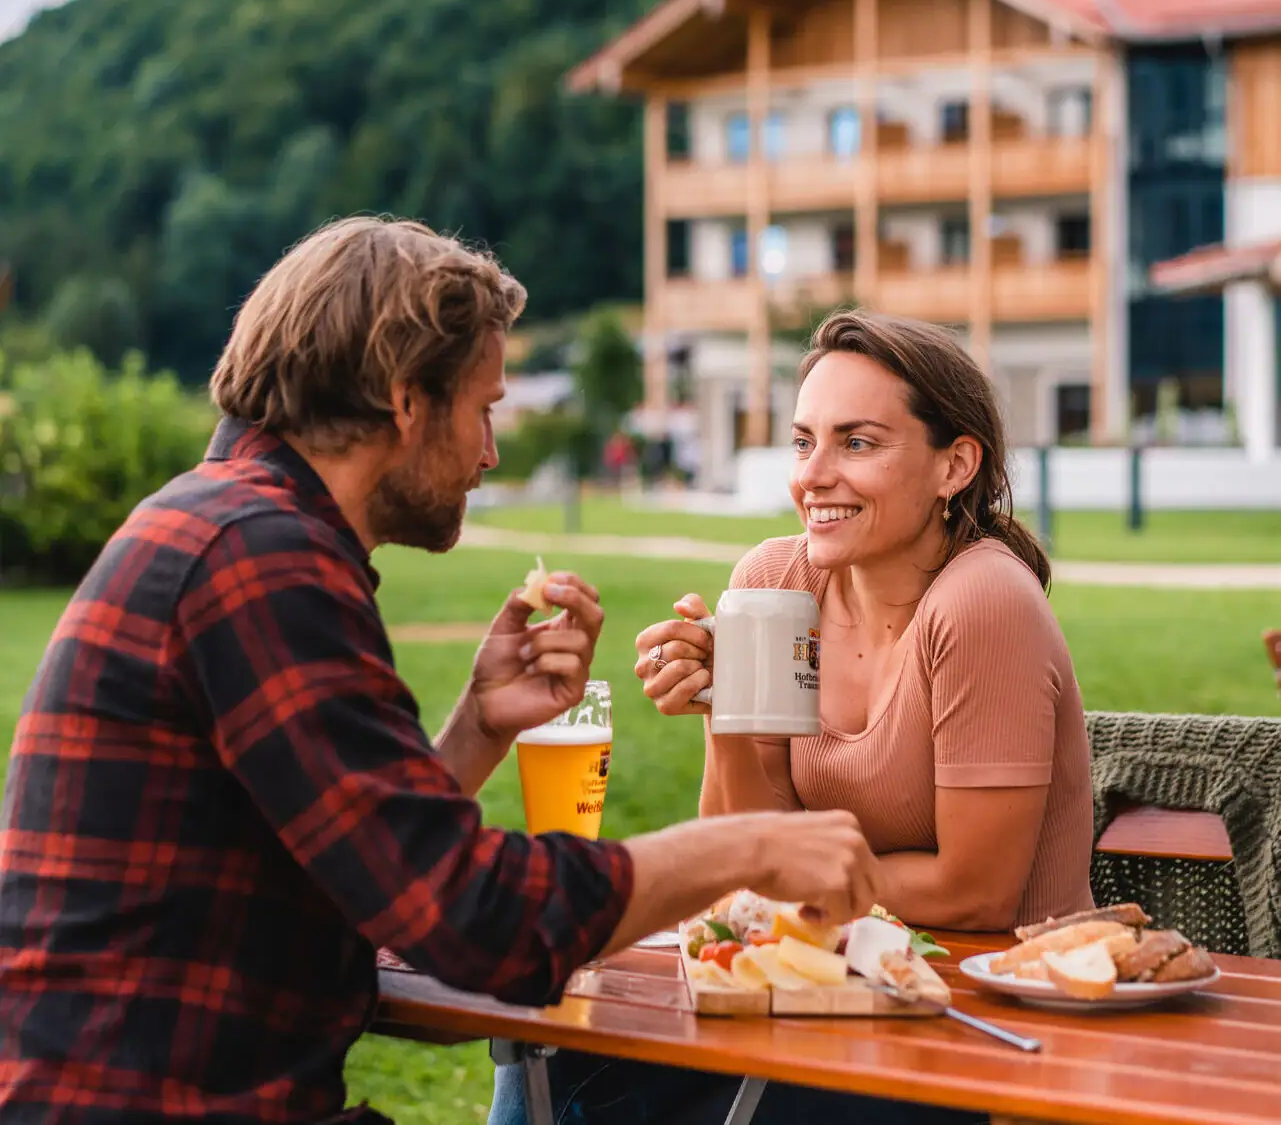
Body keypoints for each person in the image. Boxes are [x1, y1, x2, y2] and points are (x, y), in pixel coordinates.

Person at [0, 218, 883, 1125]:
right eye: (484, 407)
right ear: (405, 399)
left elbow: (367, 871)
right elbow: (477, 922)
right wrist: (753, 847)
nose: (490, 452)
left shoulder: (228, 523)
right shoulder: (260, 558)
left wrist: (476, 728)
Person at [490, 308, 1092, 1125]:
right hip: (826, 995)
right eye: (804, 441)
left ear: (954, 464)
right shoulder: (776, 582)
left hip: (982, 1026)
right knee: (558, 1047)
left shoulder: (982, 602)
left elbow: (976, 890)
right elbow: (742, 843)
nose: (815, 474)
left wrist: (785, 870)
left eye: (858, 442)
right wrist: (722, 707)